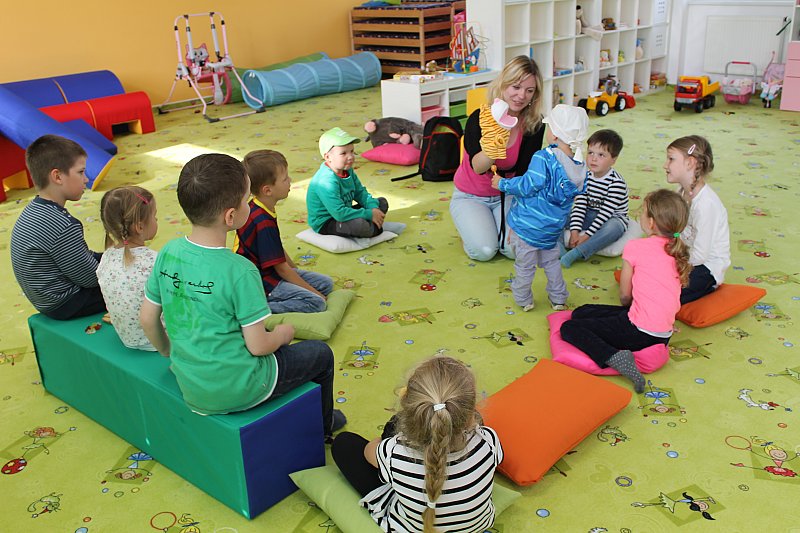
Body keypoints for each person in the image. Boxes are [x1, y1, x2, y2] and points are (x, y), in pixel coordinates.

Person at [140, 153, 345, 440]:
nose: (251, 204)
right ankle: (323, 428)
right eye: (247, 199)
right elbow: (259, 346)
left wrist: (168, 352)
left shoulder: (168, 252)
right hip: (242, 387)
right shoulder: (241, 270)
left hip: (192, 385)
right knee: (320, 354)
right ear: (230, 216)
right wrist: (283, 334)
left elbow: (147, 319)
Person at [331, 356, 503, 533]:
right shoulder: (488, 441)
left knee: (344, 443)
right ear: (469, 413)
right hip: (477, 526)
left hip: (409, 528)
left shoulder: (395, 452)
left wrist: (384, 442)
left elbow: (369, 452)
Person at [560, 189, 692, 393]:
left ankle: (615, 357)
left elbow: (624, 296)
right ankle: (620, 342)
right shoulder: (677, 250)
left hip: (639, 332)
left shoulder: (636, 247)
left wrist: (631, 311)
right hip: (662, 333)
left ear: (651, 222)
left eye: (643, 212)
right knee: (582, 312)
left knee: (570, 327)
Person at [491, 104, 589, 312]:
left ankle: (523, 299)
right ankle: (558, 298)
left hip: (528, 226)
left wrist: (502, 183)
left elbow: (528, 185)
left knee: (524, 266)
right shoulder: (580, 166)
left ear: (555, 134)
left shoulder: (544, 157)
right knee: (552, 263)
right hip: (552, 229)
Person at [450, 55, 546, 261]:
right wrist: (498, 134)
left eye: (529, 91)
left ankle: (489, 229)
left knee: (513, 250)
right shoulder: (479, 117)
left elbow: (524, 172)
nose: (521, 96)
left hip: (508, 194)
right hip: (471, 195)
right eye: (516, 87)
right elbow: (478, 167)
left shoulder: (534, 124)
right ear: (503, 85)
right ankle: (470, 230)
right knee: (485, 251)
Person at [10, 134, 106, 320]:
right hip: (67, 302)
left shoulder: (34, 210)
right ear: (57, 176)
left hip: (45, 300)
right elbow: (91, 278)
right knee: (136, 281)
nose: (86, 179)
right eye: (80, 172)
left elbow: (76, 256)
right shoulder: (62, 225)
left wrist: (109, 257)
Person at [235, 150, 333, 313]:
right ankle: (257, 309)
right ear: (267, 190)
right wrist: (315, 294)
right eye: (285, 178)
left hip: (269, 272)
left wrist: (297, 273)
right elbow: (281, 269)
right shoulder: (262, 221)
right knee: (317, 303)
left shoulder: (259, 206)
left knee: (326, 283)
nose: (290, 180)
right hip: (260, 282)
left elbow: (277, 251)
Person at [664, 135, 730, 304]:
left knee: (662, 297)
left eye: (671, 159)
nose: (665, 165)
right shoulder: (681, 192)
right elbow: (677, 232)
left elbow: (700, 255)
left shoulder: (706, 204)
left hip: (705, 268)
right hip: (683, 257)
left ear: (690, 163)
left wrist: (671, 262)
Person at [97, 186, 159, 350]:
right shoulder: (155, 261)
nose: (156, 220)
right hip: (159, 340)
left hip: (127, 337)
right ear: (139, 227)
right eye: (154, 216)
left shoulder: (107, 256)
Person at [561, 129, 629, 268]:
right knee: (558, 214)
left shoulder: (616, 183)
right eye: (590, 152)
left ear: (613, 160)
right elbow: (580, 205)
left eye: (601, 155)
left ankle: (579, 252)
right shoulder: (585, 176)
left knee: (614, 228)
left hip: (611, 217)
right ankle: (559, 247)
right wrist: (574, 232)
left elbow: (605, 214)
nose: (593, 158)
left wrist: (585, 237)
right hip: (589, 213)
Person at [307, 127, 389, 238]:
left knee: (381, 203)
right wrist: (369, 214)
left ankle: (372, 224)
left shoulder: (347, 170)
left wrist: (373, 208)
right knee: (360, 225)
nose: (350, 157)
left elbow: (361, 193)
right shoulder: (325, 181)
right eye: (343, 153)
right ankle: (373, 228)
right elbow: (339, 213)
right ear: (328, 157)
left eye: (352, 151)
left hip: (344, 211)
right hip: (328, 221)